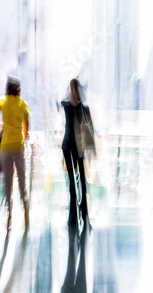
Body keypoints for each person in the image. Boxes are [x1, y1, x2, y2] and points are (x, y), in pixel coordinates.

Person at [0, 76, 30, 230]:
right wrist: (24, 137)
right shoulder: (23, 104)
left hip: (5, 147)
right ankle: (26, 214)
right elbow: (26, 127)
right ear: (18, 89)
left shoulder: (2, 101)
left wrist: (1, 124)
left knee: (7, 182)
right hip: (18, 146)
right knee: (22, 181)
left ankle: (9, 215)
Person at [61, 79, 93, 225]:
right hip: (79, 146)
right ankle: (84, 214)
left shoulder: (66, 105)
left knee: (72, 183)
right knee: (83, 183)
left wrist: (69, 92)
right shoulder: (83, 108)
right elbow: (90, 128)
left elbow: (61, 100)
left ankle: (72, 216)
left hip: (67, 145)